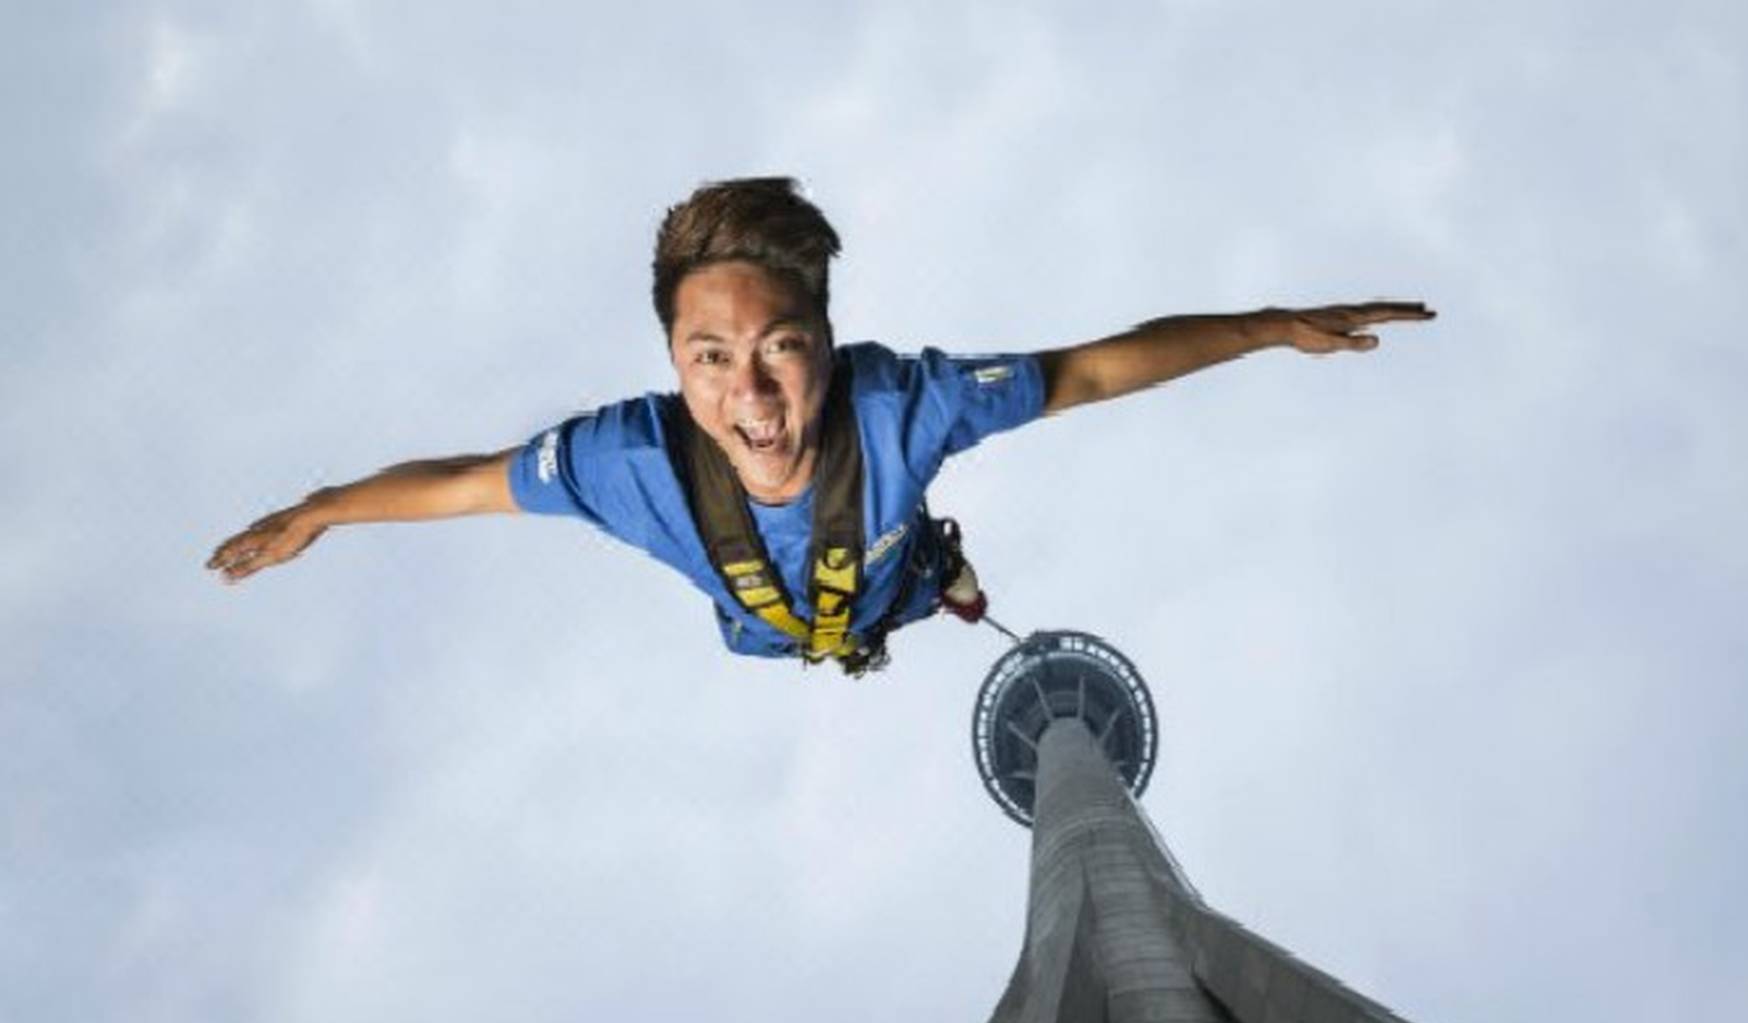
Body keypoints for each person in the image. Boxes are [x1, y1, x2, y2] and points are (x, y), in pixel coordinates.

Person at [208, 177, 1433, 674]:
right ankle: (904, 594)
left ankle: (938, 572)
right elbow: (468, 482)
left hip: (886, 575)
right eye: (712, 359)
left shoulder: (906, 404)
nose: (753, 398)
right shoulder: (626, 459)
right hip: (774, 622)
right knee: (823, 620)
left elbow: (1096, 371)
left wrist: (1272, 324)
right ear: (673, 368)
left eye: (782, 349)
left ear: (828, 346)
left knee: (915, 580)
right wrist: (323, 509)